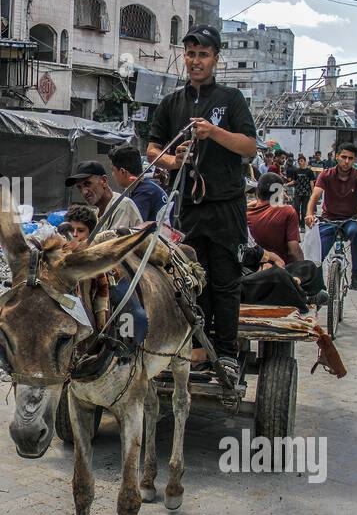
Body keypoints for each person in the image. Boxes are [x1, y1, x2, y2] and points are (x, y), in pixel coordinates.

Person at [146, 24, 258, 381]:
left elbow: (250, 147)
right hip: (188, 208)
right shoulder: (171, 102)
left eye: (203, 55)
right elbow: (151, 149)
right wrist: (173, 161)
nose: (196, 61)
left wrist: (214, 133)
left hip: (226, 205)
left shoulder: (231, 99)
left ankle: (225, 352)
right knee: (190, 280)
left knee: (225, 280)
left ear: (215, 59)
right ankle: (194, 347)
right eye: (190, 54)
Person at [247, 173, 325, 303]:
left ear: (257, 192)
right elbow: (294, 251)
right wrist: (301, 267)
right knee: (311, 267)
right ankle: (304, 291)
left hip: (252, 273)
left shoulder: (246, 213)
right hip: (280, 272)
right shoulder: (287, 211)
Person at [306, 142, 357, 291]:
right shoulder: (326, 175)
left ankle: (356, 273)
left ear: (354, 160)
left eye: (350, 158)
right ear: (337, 157)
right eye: (343, 157)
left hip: (351, 219)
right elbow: (315, 195)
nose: (346, 161)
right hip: (329, 219)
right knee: (317, 253)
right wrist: (309, 213)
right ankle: (317, 286)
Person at [64, 160, 141, 233]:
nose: (84, 192)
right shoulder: (96, 213)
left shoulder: (122, 206)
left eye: (87, 184)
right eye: (79, 187)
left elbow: (114, 244)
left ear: (104, 181)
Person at [108, 144, 167, 223]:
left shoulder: (144, 193)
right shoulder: (144, 187)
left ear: (122, 171)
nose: (112, 174)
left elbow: (133, 226)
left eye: (113, 170)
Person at [288, 153, 315, 225]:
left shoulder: (309, 171)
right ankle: (298, 223)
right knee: (296, 208)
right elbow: (294, 181)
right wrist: (286, 185)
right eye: (299, 161)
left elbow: (311, 182)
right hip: (297, 193)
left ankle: (303, 225)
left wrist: (313, 193)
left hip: (306, 193)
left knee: (304, 211)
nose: (300, 162)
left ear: (305, 162)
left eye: (301, 161)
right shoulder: (296, 171)